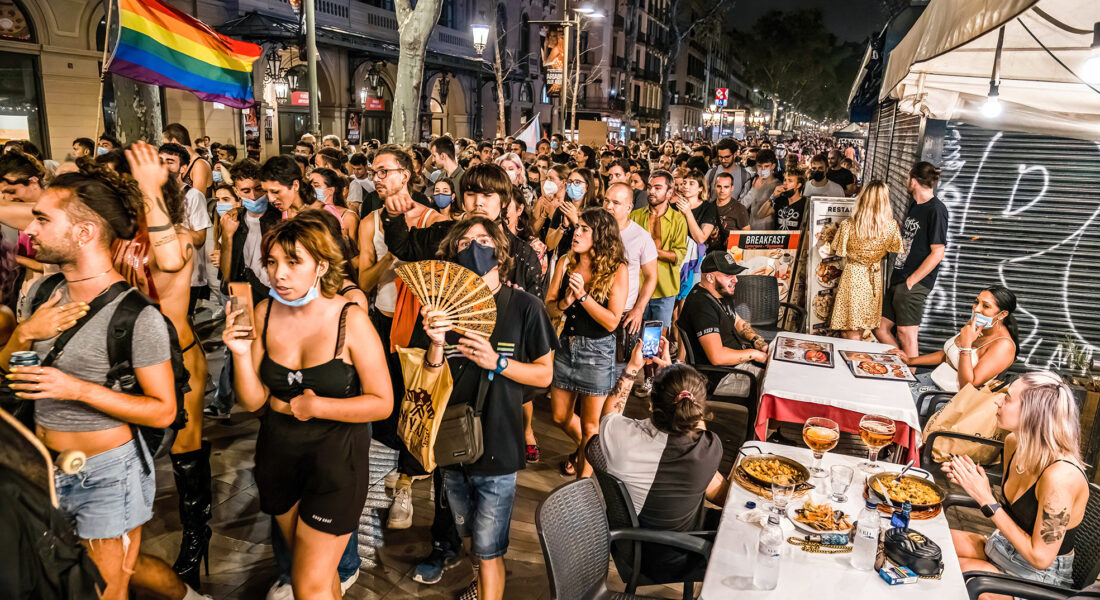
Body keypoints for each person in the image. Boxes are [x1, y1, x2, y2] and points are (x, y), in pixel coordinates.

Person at [3, 160, 185, 600]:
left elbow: (164, 410)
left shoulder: (136, 316)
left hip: (105, 477)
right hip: (41, 469)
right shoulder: (44, 293)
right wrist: (24, 335)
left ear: (84, 233)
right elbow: (7, 371)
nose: (32, 230)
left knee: (104, 592)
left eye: (44, 219)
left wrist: (75, 389)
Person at [222, 216, 392, 600]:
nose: (279, 274)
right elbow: (253, 402)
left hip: (336, 462)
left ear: (322, 265)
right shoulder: (264, 314)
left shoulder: (351, 318)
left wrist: (318, 406)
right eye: (272, 262)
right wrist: (240, 354)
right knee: (315, 572)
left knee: (308, 585)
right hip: (278, 455)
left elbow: (382, 403)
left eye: (293, 262)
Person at [419, 217, 556, 600]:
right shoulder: (442, 308)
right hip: (450, 443)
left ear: (500, 250)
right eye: (464, 243)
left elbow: (545, 375)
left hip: (499, 443)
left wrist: (497, 362)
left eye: (482, 240)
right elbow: (429, 377)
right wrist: (434, 341)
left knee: (490, 548)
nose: (473, 248)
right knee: (468, 538)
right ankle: (479, 584)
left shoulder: (525, 307)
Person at [599, 341, 732, 582]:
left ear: (651, 403)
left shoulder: (620, 438)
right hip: (679, 556)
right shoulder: (709, 448)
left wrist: (632, 368)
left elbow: (610, 412)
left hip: (633, 548)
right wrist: (676, 376)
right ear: (699, 409)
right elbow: (695, 422)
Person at [946, 372, 1088, 590]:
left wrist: (987, 499)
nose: (998, 401)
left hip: (1038, 578)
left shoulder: (1061, 477)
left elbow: (1040, 559)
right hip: (1003, 545)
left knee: (945, 573)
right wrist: (973, 482)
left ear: (1033, 413)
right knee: (929, 545)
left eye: (1008, 398)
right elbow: (1013, 514)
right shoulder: (1014, 443)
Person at [545, 208, 628, 478]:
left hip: (597, 351)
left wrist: (582, 297)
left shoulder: (617, 269)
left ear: (601, 235)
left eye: (583, 229)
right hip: (565, 347)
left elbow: (612, 322)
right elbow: (548, 307)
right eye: (576, 228)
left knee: (591, 426)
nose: (576, 233)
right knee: (559, 415)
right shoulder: (566, 262)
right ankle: (594, 449)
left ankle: (583, 484)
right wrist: (564, 303)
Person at [874, 161, 949, 358]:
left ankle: (911, 377)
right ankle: (905, 364)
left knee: (906, 333)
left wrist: (911, 281)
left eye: (908, 178)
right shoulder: (915, 205)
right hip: (899, 277)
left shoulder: (936, 210)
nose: (906, 181)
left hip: (913, 282)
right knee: (880, 327)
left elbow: (938, 252)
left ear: (914, 181)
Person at [894, 286, 1018, 401]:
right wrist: (910, 360)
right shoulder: (976, 325)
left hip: (947, 398)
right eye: (976, 302)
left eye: (985, 306)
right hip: (933, 379)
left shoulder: (1003, 346)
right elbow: (949, 354)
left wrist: (966, 346)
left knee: (892, 402)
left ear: (1002, 314)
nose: (977, 309)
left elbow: (968, 386)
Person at [828, 181, 904, 340]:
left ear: (863, 198)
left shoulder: (848, 225)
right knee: (861, 328)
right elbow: (895, 248)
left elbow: (838, 249)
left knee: (849, 330)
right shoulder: (891, 226)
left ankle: (852, 361)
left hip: (853, 277)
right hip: (873, 278)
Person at [678, 251, 769, 368]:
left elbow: (737, 321)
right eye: (728, 275)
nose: (736, 280)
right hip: (723, 375)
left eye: (735, 275)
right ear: (710, 277)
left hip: (738, 362)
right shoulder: (701, 306)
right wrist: (755, 355)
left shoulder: (719, 292)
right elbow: (717, 357)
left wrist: (757, 340)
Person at [630, 171, 687, 335]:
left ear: (670, 192)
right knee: (634, 338)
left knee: (655, 341)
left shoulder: (678, 219)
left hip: (664, 288)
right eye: (649, 187)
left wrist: (649, 250)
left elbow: (678, 255)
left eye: (657, 187)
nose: (652, 191)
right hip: (638, 287)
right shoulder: (635, 216)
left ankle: (655, 361)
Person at [603, 182, 657, 342]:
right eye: (606, 200)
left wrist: (639, 309)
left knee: (621, 365)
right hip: (595, 308)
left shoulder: (641, 237)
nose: (608, 206)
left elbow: (651, 276)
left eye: (616, 203)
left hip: (624, 313)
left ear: (629, 207)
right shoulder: (594, 230)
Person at [308, 167, 359, 244]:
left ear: (331, 190)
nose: (311, 190)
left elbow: (357, 251)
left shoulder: (348, 217)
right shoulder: (305, 214)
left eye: (316, 186)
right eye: (310, 186)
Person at [163, 123, 212, 193]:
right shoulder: (183, 162)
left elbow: (197, 200)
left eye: (165, 144)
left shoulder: (199, 164)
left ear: (174, 142)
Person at [709, 172, 750, 252]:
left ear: (732, 188)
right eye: (719, 186)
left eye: (726, 187)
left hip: (730, 253)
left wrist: (733, 240)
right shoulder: (709, 207)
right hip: (711, 253)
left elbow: (746, 233)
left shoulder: (739, 208)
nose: (722, 190)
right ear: (714, 187)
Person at [758, 165, 808, 231]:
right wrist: (772, 196)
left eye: (790, 181)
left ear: (798, 185)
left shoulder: (805, 203)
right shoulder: (780, 200)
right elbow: (761, 215)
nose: (785, 183)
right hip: (780, 240)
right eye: (785, 180)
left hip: (795, 240)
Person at [741, 149, 781, 231]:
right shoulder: (751, 182)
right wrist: (754, 189)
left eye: (766, 166)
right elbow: (741, 207)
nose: (763, 169)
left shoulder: (779, 185)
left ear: (773, 166)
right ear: (756, 165)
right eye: (760, 166)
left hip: (772, 232)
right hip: (752, 231)